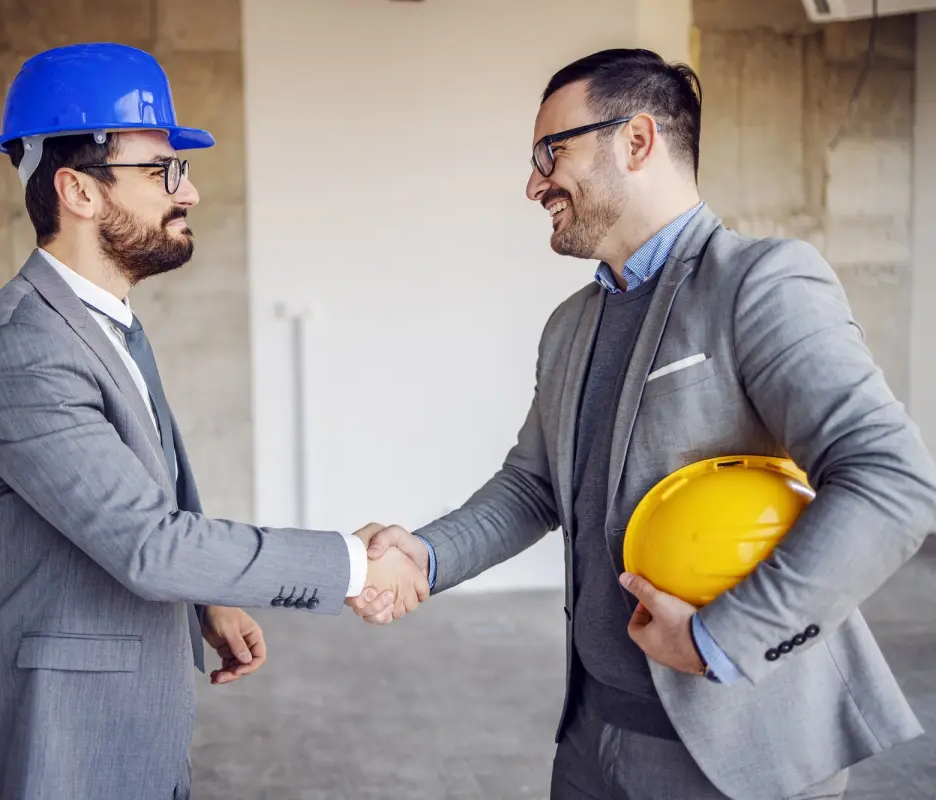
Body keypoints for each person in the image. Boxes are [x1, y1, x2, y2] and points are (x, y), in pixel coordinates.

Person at [355, 48, 936, 799]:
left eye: (549, 153)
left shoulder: (760, 282)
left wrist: (719, 639)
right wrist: (423, 557)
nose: (534, 184)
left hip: (735, 747)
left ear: (636, 141)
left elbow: (891, 482)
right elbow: (533, 487)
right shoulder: (571, 325)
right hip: (591, 733)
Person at [0, 43, 426, 800]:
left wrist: (208, 597)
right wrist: (356, 566)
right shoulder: (22, 353)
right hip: (62, 727)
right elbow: (146, 542)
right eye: (164, 171)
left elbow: (146, 490)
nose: (190, 192)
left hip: (132, 703)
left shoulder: (104, 323)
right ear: (79, 191)